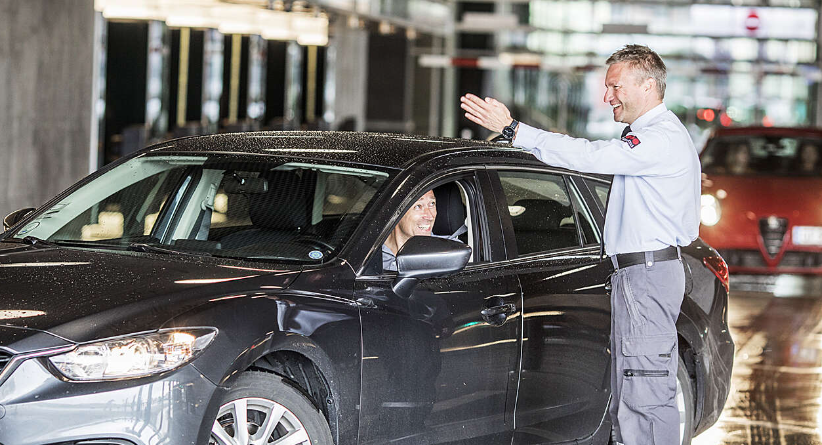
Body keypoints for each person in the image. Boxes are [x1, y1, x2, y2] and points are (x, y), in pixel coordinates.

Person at [460, 44, 700, 445]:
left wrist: (516, 131)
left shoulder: (659, 138)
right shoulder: (650, 138)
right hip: (638, 275)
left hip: (648, 275)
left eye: (615, 86)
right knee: (631, 391)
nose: (608, 97)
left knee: (645, 393)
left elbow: (590, 156)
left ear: (646, 84)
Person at [382, 189, 466, 272]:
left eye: (432, 204)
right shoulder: (371, 250)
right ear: (395, 212)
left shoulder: (449, 251)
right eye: (418, 206)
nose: (430, 216)